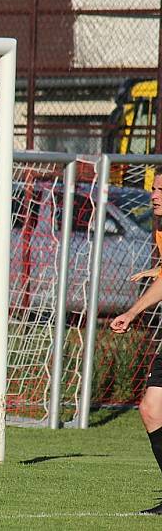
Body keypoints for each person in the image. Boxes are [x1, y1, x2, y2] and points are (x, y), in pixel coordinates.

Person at [110, 171, 162, 514]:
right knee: (151, 410)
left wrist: (131, 312)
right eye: (154, 187)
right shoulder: (159, 225)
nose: (155, 194)